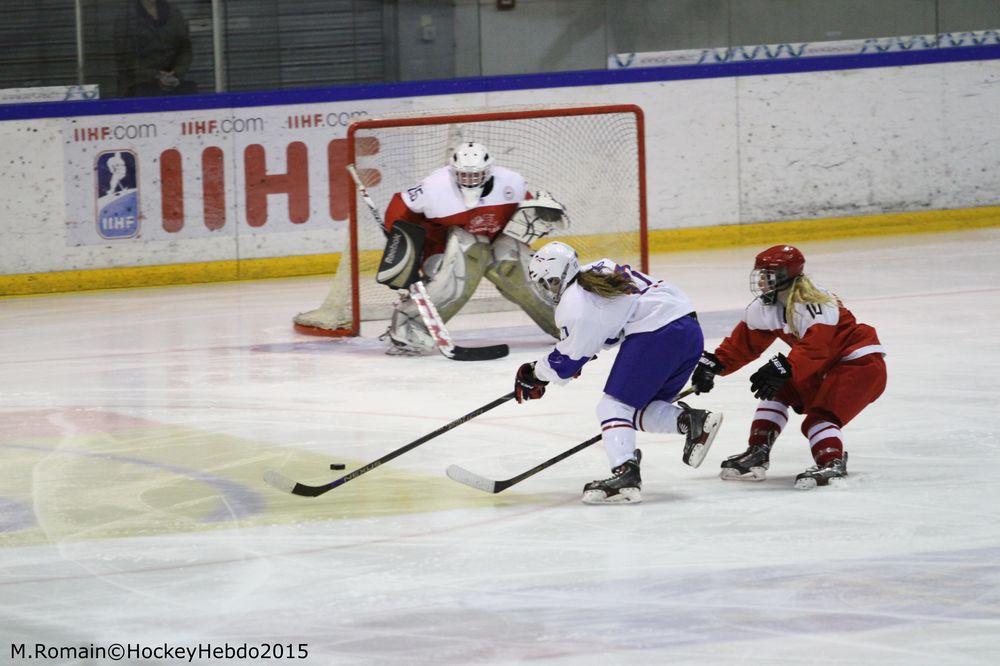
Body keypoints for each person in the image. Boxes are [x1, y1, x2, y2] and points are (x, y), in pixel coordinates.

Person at [512, 241, 724, 505]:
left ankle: (625, 476)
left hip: (658, 334)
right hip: (688, 331)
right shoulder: (598, 269)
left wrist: (533, 373)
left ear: (558, 276)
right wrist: (579, 357)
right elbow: (609, 326)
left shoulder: (573, 303)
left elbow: (566, 361)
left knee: (613, 409)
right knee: (636, 411)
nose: (548, 289)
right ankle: (692, 422)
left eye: (549, 282)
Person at [691, 244, 887, 489]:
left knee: (820, 418)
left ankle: (832, 461)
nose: (761, 281)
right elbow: (742, 346)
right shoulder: (765, 307)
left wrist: (785, 367)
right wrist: (716, 365)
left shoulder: (815, 302)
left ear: (784, 277)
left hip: (859, 365)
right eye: (760, 274)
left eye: (767, 275)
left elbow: (818, 348)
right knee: (776, 392)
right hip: (821, 368)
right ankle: (758, 451)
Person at [377, 141, 569, 355]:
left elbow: (526, 217)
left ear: (488, 172)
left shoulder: (511, 183)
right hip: (444, 248)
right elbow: (399, 206)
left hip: (496, 243)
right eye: (463, 175)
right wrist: (403, 245)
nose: (469, 180)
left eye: (475, 175)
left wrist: (541, 214)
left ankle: (566, 324)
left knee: (519, 272)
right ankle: (408, 331)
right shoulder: (434, 187)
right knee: (464, 262)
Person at [113, 0, 197, 97]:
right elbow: (126, 58)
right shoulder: (126, 16)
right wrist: (156, 75)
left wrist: (176, 72)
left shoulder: (174, 12)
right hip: (138, 89)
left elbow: (185, 48)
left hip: (173, 85)